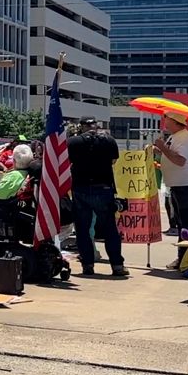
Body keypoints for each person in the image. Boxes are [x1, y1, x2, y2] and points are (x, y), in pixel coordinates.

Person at [67, 118, 128, 277]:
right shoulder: (109, 140)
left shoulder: (73, 142)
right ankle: (117, 265)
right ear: (96, 126)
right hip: (104, 188)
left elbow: (67, 163)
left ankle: (87, 265)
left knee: (83, 229)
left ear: (82, 127)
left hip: (80, 188)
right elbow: (114, 160)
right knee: (110, 229)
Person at [153, 111, 188, 266]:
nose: (164, 122)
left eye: (166, 119)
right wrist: (160, 150)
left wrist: (162, 148)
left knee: (187, 224)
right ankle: (183, 257)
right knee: (182, 224)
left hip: (186, 186)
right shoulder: (175, 137)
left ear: (174, 121)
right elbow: (172, 155)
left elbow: (180, 160)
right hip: (178, 185)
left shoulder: (184, 138)